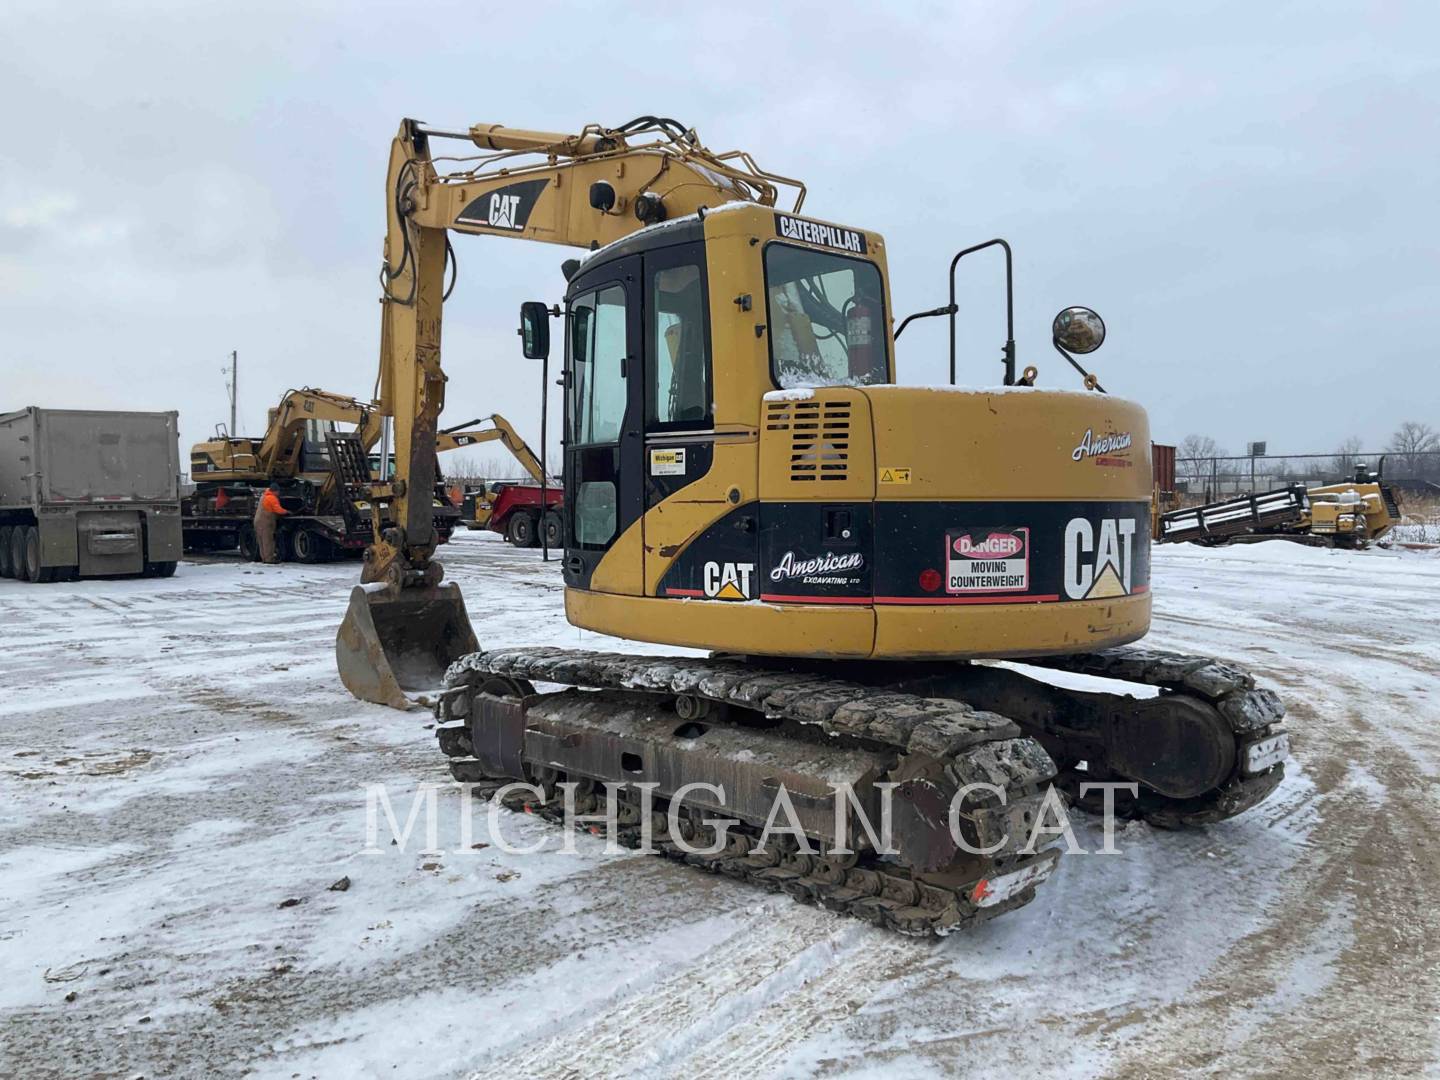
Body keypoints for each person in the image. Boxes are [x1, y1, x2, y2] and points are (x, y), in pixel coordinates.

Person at [253, 483, 289, 563]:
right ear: (275, 491)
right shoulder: (272, 498)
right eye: (278, 491)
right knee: (268, 541)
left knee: (261, 541)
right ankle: (269, 559)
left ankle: (264, 558)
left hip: (257, 521)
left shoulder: (264, 496)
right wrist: (287, 511)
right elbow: (278, 509)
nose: (279, 493)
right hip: (265, 522)